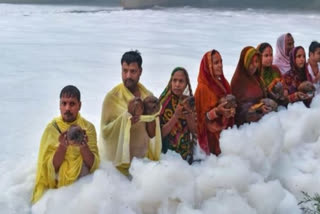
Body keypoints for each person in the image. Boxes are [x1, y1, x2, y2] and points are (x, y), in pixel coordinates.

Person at [32, 85, 100, 204]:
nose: (67, 108)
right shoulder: (52, 129)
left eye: (72, 104)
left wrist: (84, 146)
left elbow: (93, 165)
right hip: (59, 189)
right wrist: (62, 146)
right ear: (59, 105)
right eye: (64, 103)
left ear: (80, 105)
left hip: (82, 187)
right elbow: (49, 169)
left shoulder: (88, 127)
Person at [99, 50, 161, 175]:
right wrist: (125, 119)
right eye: (124, 70)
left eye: (132, 71)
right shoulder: (112, 98)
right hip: (117, 167)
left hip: (141, 164)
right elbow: (105, 132)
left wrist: (149, 115)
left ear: (140, 72)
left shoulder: (147, 96)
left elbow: (152, 134)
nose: (128, 76)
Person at [194, 50, 235, 156]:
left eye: (221, 62)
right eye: (216, 63)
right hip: (210, 138)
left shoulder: (224, 84)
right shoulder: (202, 88)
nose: (220, 65)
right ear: (208, 66)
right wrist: (217, 111)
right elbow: (200, 119)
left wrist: (231, 111)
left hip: (225, 136)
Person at [159, 67, 197, 163]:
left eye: (181, 81)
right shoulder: (162, 103)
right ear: (170, 82)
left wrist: (189, 113)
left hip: (185, 154)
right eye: (174, 80)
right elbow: (160, 134)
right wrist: (175, 116)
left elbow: (194, 131)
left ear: (186, 84)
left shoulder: (190, 103)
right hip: (166, 154)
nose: (177, 84)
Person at [231, 46, 272, 126]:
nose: (254, 65)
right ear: (245, 62)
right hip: (246, 126)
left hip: (261, 119)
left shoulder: (258, 79)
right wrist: (257, 107)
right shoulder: (238, 81)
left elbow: (263, 96)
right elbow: (238, 108)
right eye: (250, 62)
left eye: (256, 61)